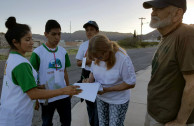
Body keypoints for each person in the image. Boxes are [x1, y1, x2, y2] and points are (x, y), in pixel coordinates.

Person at [0, 17, 81, 126]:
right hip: (17, 117)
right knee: (47, 122)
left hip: (11, 112)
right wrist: (64, 91)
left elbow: (21, 84)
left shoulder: (13, 58)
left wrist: (38, 87)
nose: (32, 42)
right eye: (27, 40)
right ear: (15, 42)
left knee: (66, 121)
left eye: (31, 39)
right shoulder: (23, 63)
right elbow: (33, 94)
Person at [143, 0, 194, 125]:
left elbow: (192, 84)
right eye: (152, 8)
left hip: (168, 121)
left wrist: (180, 121)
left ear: (177, 14)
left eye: (159, 8)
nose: (153, 12)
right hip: (155, 114)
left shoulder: (186, 35)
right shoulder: (167, 35)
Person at [85, 34, 136, 126]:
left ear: (107, 51)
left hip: (118, 100)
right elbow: (92, 71)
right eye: (96, 58)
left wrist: (106, 90)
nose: (98, 60)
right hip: (101, 98)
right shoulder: (97, 56)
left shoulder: (122, 59)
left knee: (115, 124)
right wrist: (90, 81)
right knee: (102, 124)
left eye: (100, 57)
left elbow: (130, 83)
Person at [30, 20, 72, 126]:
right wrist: (35, 99)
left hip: (63, 95)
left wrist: (68, 88)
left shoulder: (63, 51)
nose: (57, 37)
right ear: (46, 34)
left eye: (59, 34)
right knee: (47, 123)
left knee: (66, 122)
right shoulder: (37, 53)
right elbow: (32, 75)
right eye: (54, 34)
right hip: (46, 96)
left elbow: (65, 72)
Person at [75, 20, 99, 126]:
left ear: (97, 31)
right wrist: (88, 61)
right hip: (86, 74)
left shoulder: (102, 44)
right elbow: (78, 63)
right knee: (90, 105)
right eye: (87, 30)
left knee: (99, 104)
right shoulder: (83, 46)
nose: (89, 32)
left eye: (92, 29)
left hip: (99, 75)